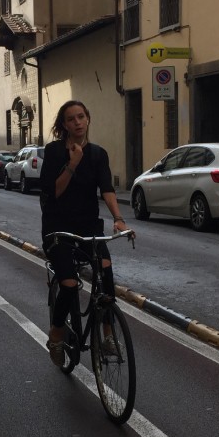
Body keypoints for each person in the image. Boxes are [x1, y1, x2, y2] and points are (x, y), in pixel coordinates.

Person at [40, 100, 130, 366]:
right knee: (68, 285)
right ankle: (56, 334)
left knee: (106, 274)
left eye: (81, 116)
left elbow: (107, 189)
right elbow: (53, 192)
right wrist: (73, 163)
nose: (77, 122)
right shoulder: (54, 152)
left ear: (88, 119)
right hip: (58, 229)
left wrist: (118, 218)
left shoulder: (98, 154)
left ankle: (108, 335)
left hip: (88, 228)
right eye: (71, 119)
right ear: (64, 125)